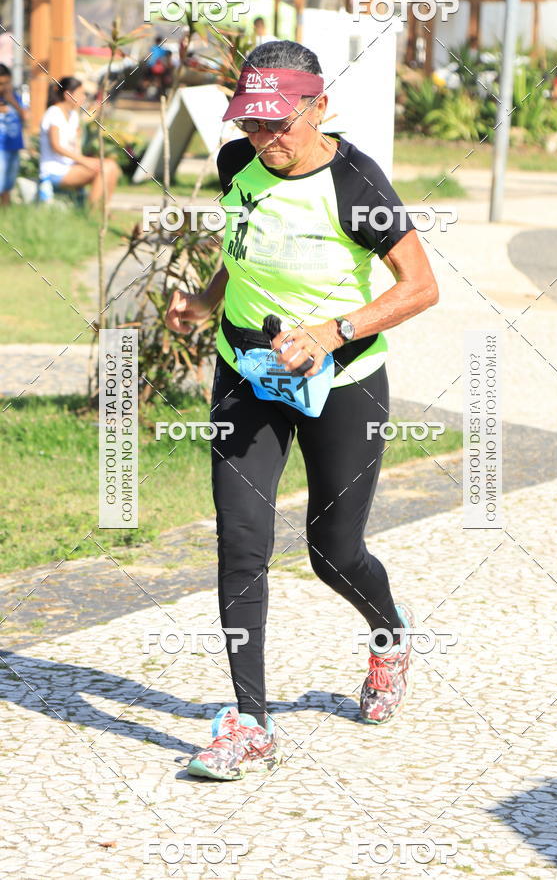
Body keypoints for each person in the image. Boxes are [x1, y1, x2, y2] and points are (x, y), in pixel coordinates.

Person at [165, 40, 439, 781]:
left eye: (280, 123)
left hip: (341, 383)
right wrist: (205, 302)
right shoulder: (234, 163)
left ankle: (389, 633)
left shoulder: (356, 183)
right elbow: (243, 243)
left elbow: (420, 287)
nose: (265, 139)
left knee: (332, 551)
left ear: (320, 107)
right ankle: (250, 722)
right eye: (252, 124)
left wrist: (332, 332)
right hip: (246, 372)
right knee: (242, 541)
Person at [38, 76, 121, 207]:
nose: (84, 97)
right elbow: (56, 146)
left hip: (70, 167)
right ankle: (91, 212)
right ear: (67, 95)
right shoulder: (53, 113)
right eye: (81, 93)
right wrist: (84, 161)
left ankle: (104, 210)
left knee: (112, 166)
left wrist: (81, 152)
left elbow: (74, 147)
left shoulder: (73, 115)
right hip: (54, 170)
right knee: (104, 168)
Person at [0, 63, 28, 206]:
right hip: (1, 149)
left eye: (7, 83)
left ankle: (6, 213)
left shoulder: (14, 98)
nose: (4, 87)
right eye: (1, 84)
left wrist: (12, 102)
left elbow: (25, 117)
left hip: (14, 147)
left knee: (8, 184)